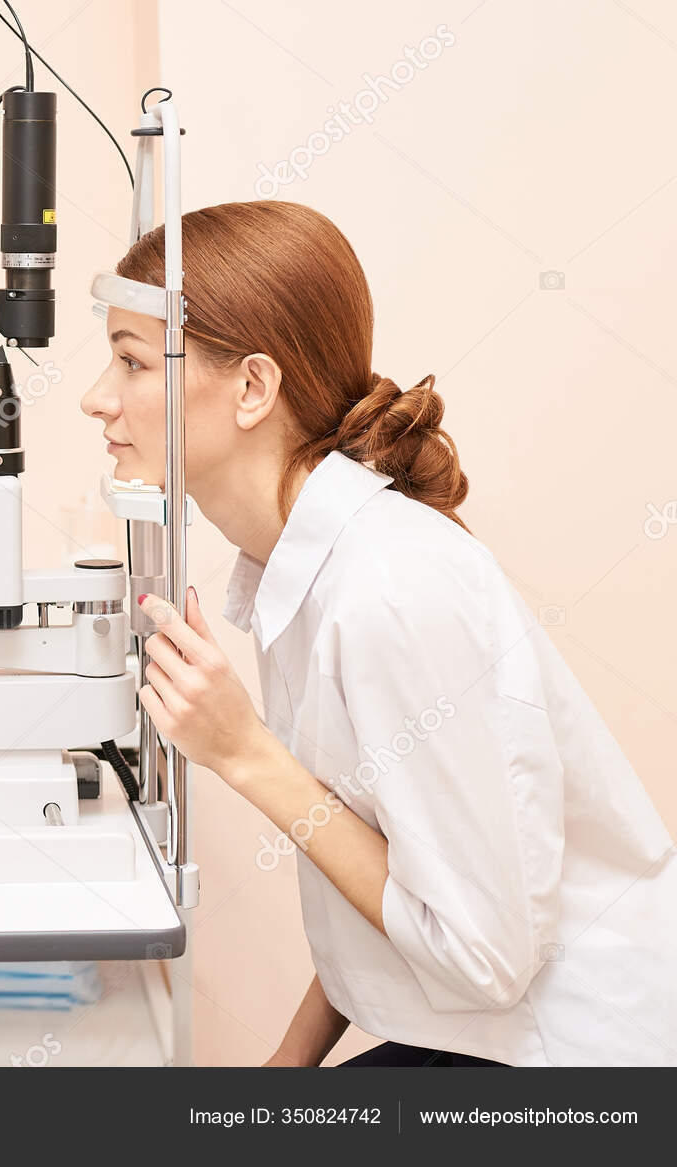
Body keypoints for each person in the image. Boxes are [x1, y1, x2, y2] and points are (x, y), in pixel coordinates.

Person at [81, 200, 677, 1067]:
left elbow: (484, 956)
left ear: (252, 387)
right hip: (475, 1029)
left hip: (571, 1051)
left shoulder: (388, 592)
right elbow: (393, 861)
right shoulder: (304, 568)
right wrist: (288, 1064)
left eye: (133, 361)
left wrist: (245, 751)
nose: (97, 399)